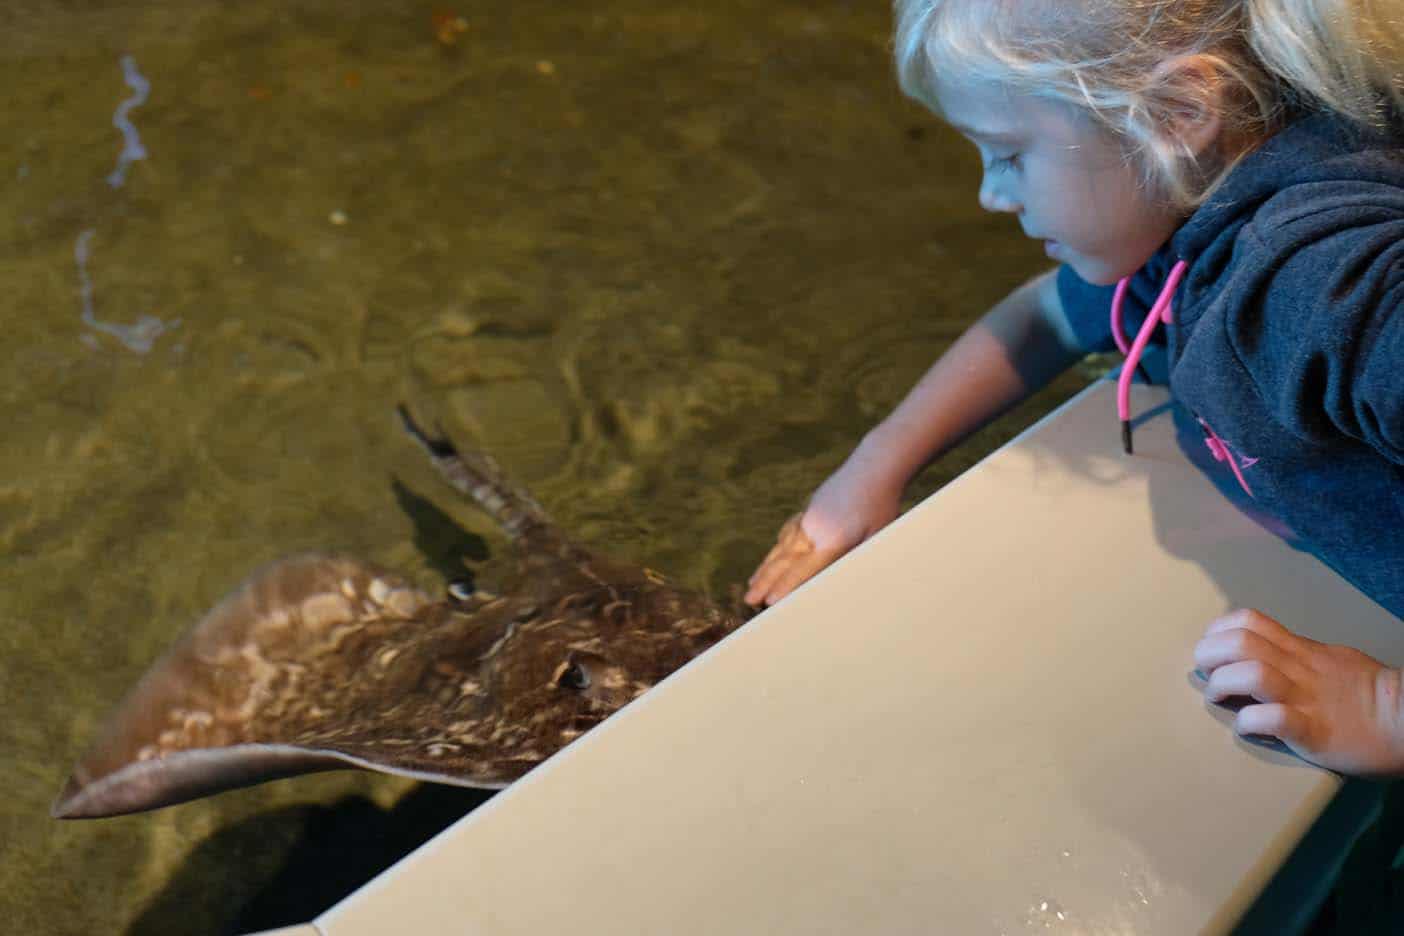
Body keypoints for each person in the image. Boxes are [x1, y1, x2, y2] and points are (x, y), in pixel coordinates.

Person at [745, 0, 1404, 777]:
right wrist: (876, 466)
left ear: (1179, 110)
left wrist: (1385, 713)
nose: (992, 194)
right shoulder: (1208, 197)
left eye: (1009, 154)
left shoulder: (1316, 284)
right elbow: (1046, 316)